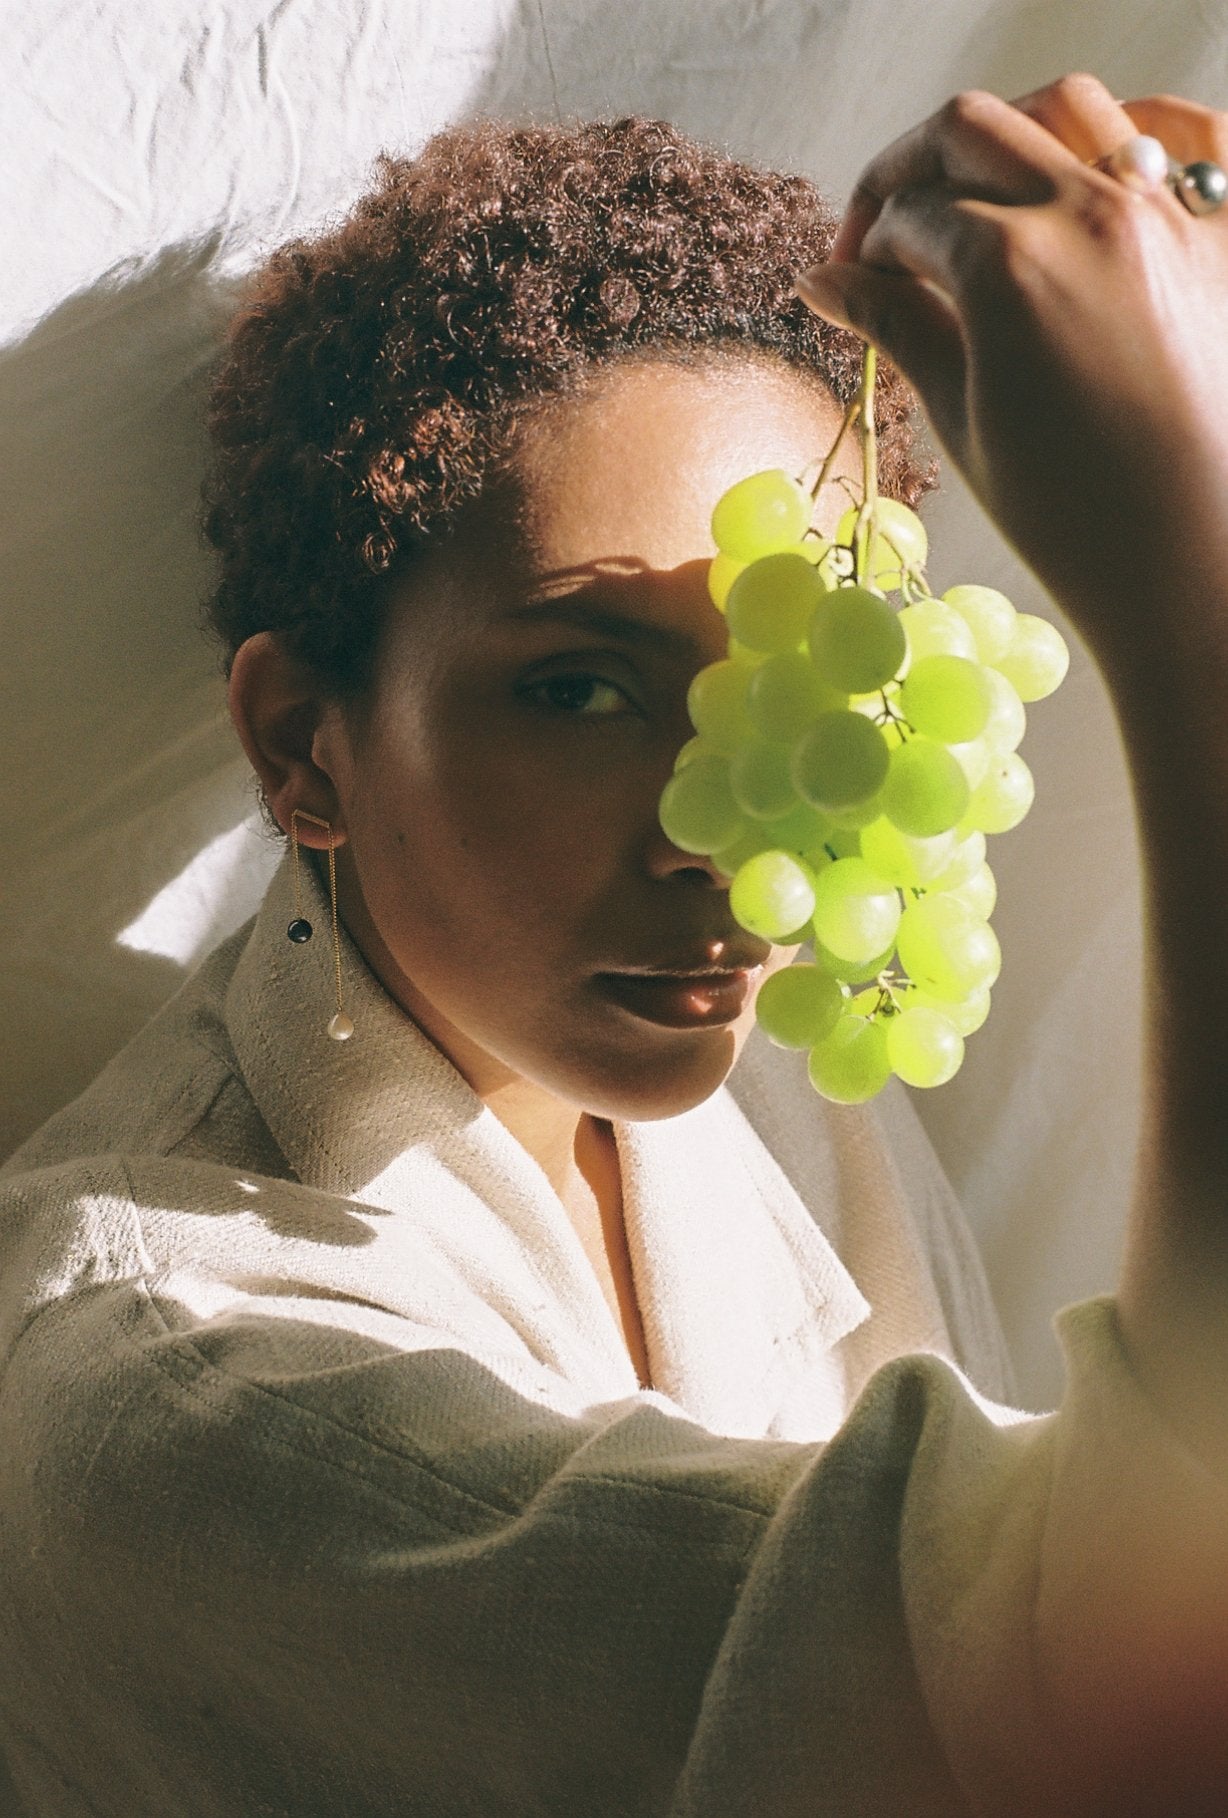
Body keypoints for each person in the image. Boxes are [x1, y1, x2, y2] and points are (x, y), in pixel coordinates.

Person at [0, 68, 1225, 1817]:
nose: (724, 830)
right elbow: (1098, 1673)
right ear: (302, 746)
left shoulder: (784, 1085)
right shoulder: (160, 1396)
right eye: (579, 688)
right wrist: (1191, 605)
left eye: (781, 701)